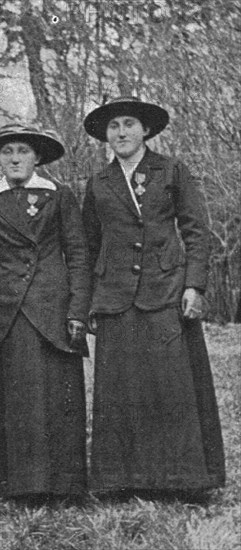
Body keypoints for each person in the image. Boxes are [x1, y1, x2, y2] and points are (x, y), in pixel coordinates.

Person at [82, 96, 226, 497]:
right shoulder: (98, 183)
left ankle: (184, 480)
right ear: (105, 136)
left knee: (172, 386)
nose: (122, 133)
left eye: (129, 124)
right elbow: (88, 245)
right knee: (121, 388)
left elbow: (196, 231)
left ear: (145, 129)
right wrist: (92, 300)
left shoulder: (172, 170)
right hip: (115, 297)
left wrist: (194, 285)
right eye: (114, 127)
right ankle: (122, 481)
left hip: (166, 291)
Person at [0, 124, 91, 501]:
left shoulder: (59, 196)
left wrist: (77, 311)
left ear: (37, 157)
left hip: (52, 311)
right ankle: (10, 486)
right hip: (4, 313)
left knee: (57, 398)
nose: (15, 158)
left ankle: (64, 485)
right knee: (10, 399)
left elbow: (79, 256)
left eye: (23, 150)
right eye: (7, 152)